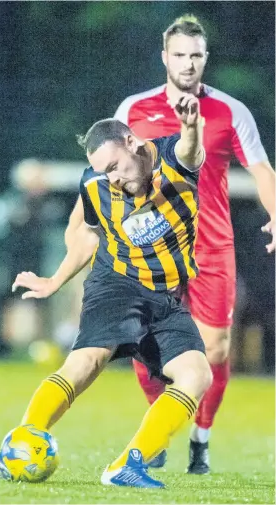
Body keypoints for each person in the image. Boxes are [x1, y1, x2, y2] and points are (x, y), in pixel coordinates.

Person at [0, 94, 213, 489]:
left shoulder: (175, 160)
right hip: (117, 284)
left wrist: (193, 124)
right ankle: (24, 439)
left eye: (114, 166)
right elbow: (88, 236)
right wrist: (55, 280)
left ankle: (128, 465)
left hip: (165, 297)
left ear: (132, 141)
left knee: (197, 375)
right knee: (89, 360)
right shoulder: (95, 182)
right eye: (102, 171)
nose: (111, 177)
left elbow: (191, 146)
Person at [113, 14, 276, 474]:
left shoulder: (230, 111)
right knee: (143, 342)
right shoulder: (134, 109)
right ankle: (158, 429)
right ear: (165, 57)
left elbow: (262, 170)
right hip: (152, 246)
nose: (187, 63)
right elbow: (111, 166)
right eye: (179, 54)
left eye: (196, 56)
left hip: (211, 246)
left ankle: (200, 438)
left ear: (206, 59)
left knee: (217, 349)